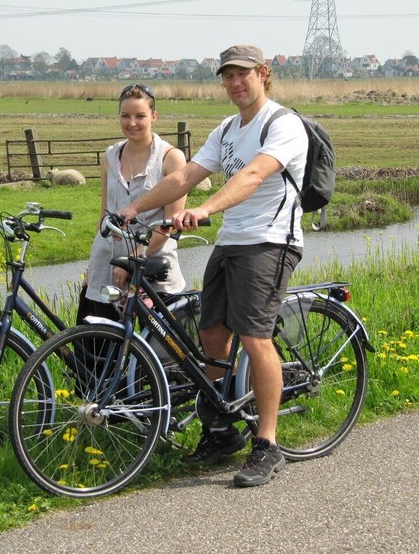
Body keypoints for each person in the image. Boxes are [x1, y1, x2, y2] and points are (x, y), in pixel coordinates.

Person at [117, 45, 308, 488]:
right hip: (231, 242)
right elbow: (185, 176)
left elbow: (253, 176)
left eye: (243, 74)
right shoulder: (226, 129)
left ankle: (268, 443)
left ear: (263, 74)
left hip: (271, 240)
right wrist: (134, 208)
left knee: (254, 336)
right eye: (228, 77)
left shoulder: (283, 124)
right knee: (211, 334)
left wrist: (204, 210)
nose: (235, 84)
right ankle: (222, 430)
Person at [76, 84, 188, 324]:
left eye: (140, 116)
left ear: (154, 117)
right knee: (95, 353)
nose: (132, 123)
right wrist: (91, 268)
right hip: (107, 265)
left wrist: (134, 260)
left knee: (161, 353)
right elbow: (104, 215)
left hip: (152, 267)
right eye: (125, 116)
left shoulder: (170, 159)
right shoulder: (110, 157)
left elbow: (168, 226)